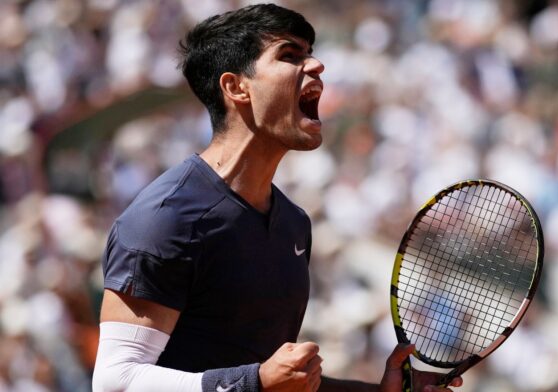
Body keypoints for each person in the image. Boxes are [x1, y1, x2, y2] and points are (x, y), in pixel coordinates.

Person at [92, 4, 463, 392]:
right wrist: (253, 382)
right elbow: (116, 381)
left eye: (311, 53)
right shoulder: (166, 219)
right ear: (236, 87)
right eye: (290, 55)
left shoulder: (293, 224)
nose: (317, 65)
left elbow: (281, 384)